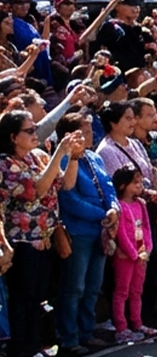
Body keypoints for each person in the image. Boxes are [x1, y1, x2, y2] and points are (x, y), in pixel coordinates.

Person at [1, 110, 68, 356]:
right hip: (21, 241)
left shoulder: (36, 158)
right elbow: (36, 190)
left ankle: (35, 344)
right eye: (29, 131)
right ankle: (22, 348)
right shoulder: (5, 163)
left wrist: (71, 156)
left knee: (37, 297)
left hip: (44, 237)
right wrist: (59, 153)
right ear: (13, 137)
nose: (34, 134)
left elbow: (63, 184)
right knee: (23, 297)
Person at [53, 113, 116, 355]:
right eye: (85, 132)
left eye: (90, 131)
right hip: (79, 231)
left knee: (92, 286)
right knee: (74, 287)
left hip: (99, 231)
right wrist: (101, 213)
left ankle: (87, 332)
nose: (91, 136)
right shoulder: (63, 160)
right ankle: (69, 338)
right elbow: (69, 199)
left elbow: (108, 186)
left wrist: (113, 207)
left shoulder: (95, 158)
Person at [109, 165, 156, 344]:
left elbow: (146, 227)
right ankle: (121, 327)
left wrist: (147, 249)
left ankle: (137, 323)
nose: (139, 185)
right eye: (134, 182)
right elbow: (121, 232)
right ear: (122, 185)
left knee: (137, 290)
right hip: (126, 256)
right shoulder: (119, 206)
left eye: (140, 182)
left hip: (141, 254)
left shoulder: (140, 204)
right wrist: (133, 253)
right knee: (122, 291)